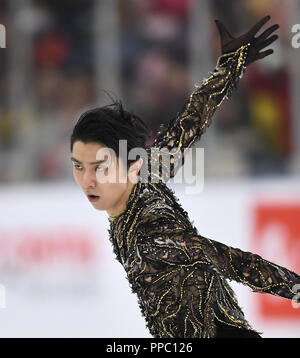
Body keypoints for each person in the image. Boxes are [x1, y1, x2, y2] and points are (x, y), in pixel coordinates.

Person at [70, 15, 300, 338]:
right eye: (78, 166)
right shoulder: (145, 174)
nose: (87, 180)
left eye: (100, 167)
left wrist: (294, 288)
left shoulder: (150, 229)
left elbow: (226, 259)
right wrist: (230, 66)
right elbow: (190, 122)